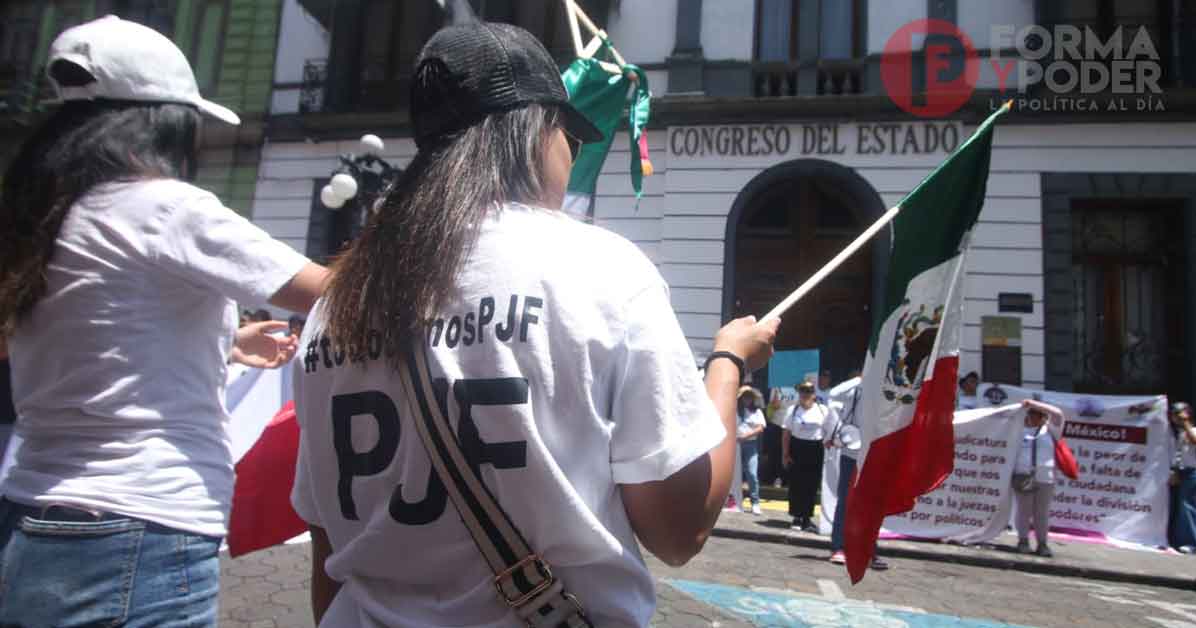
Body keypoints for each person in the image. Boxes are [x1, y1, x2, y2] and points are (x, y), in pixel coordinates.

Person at [290, 10, 779, 627]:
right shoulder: (604, 270)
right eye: (568, 137)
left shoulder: (338, 300)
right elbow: (680, 529)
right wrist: (729, 364)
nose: (571, 156)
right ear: (534, 133)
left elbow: (328, 546)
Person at [0, 16, 327, 626]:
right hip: (138, 527)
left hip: (32, 515)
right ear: (161, 125)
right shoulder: (164, 208)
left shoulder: (46, 214)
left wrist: (225, 342)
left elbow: (91, 337)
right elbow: (326, 291)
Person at [823, 375, 889, 570]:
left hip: (877, 451)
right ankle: (839, 547)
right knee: (846, 501)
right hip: (852, 451)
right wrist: (863, 377)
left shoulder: (891, 386)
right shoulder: (858, 386)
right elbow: (834, 394)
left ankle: (868, 550)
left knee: (871, 504)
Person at [1011, 398, 1065, 557]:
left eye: (1038, 414)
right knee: (1024, 511)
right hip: (1023, 475)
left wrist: (1032, 403)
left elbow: (1058, 413)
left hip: (1045, 477)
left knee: (1041, 512)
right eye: (1032, 414)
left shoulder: (1051, 431)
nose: (1034, 417)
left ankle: (1042, 544)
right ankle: (1023, 541)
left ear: (1044, 417)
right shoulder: (1020, 431)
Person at [783, 380, 835, 532]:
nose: (805, 394)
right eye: (803, 391)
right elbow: (786, 433)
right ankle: (796, 517)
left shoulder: (823, 410)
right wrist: (785, 454)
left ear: (814, 394)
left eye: (809, 391)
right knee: (796, 484)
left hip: (816, 449)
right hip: (797, 447)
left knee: (811, 485)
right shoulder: (792, 410)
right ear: (799, 393)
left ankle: (807, 518)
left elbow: (829, 430)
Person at [1168, 402, 1196, 553]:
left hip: (1193, 473)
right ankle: (1183, 540)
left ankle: (1191, 543)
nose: (1175, 418)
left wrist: (1186, 422)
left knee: (1188, 508)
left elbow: (1195, 440)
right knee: (1184, 508)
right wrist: (1175, 471)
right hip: (1182, 473)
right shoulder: (1179, 434)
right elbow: (1178, 456)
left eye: (1178, 414)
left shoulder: (1195, 430)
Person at [736, 386, 767, 515]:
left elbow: (761, 428)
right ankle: (733, 500)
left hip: (751, 445)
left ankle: (755, 502)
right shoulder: (734, 410)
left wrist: (746, 435)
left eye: (749, 396)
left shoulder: (757, 412)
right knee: (734, 476)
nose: (747, 399)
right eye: (745, 396)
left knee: (752, 473)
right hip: (735, 445)